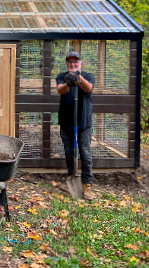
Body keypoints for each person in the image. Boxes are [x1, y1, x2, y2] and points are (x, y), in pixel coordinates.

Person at [55, 51, 96, 200]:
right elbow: (60, 90)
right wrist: (69, 83)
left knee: (84, 152)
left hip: (83, 122)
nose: (73, 64)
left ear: (80, 64)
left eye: (75, 62)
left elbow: (88, 88)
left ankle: (87, 184)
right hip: (67, 122)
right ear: (67, 64)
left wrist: (79, 78)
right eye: (70, 62)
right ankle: (72, 176)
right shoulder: (62, 76)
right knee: (69, 152)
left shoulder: (88, 76)